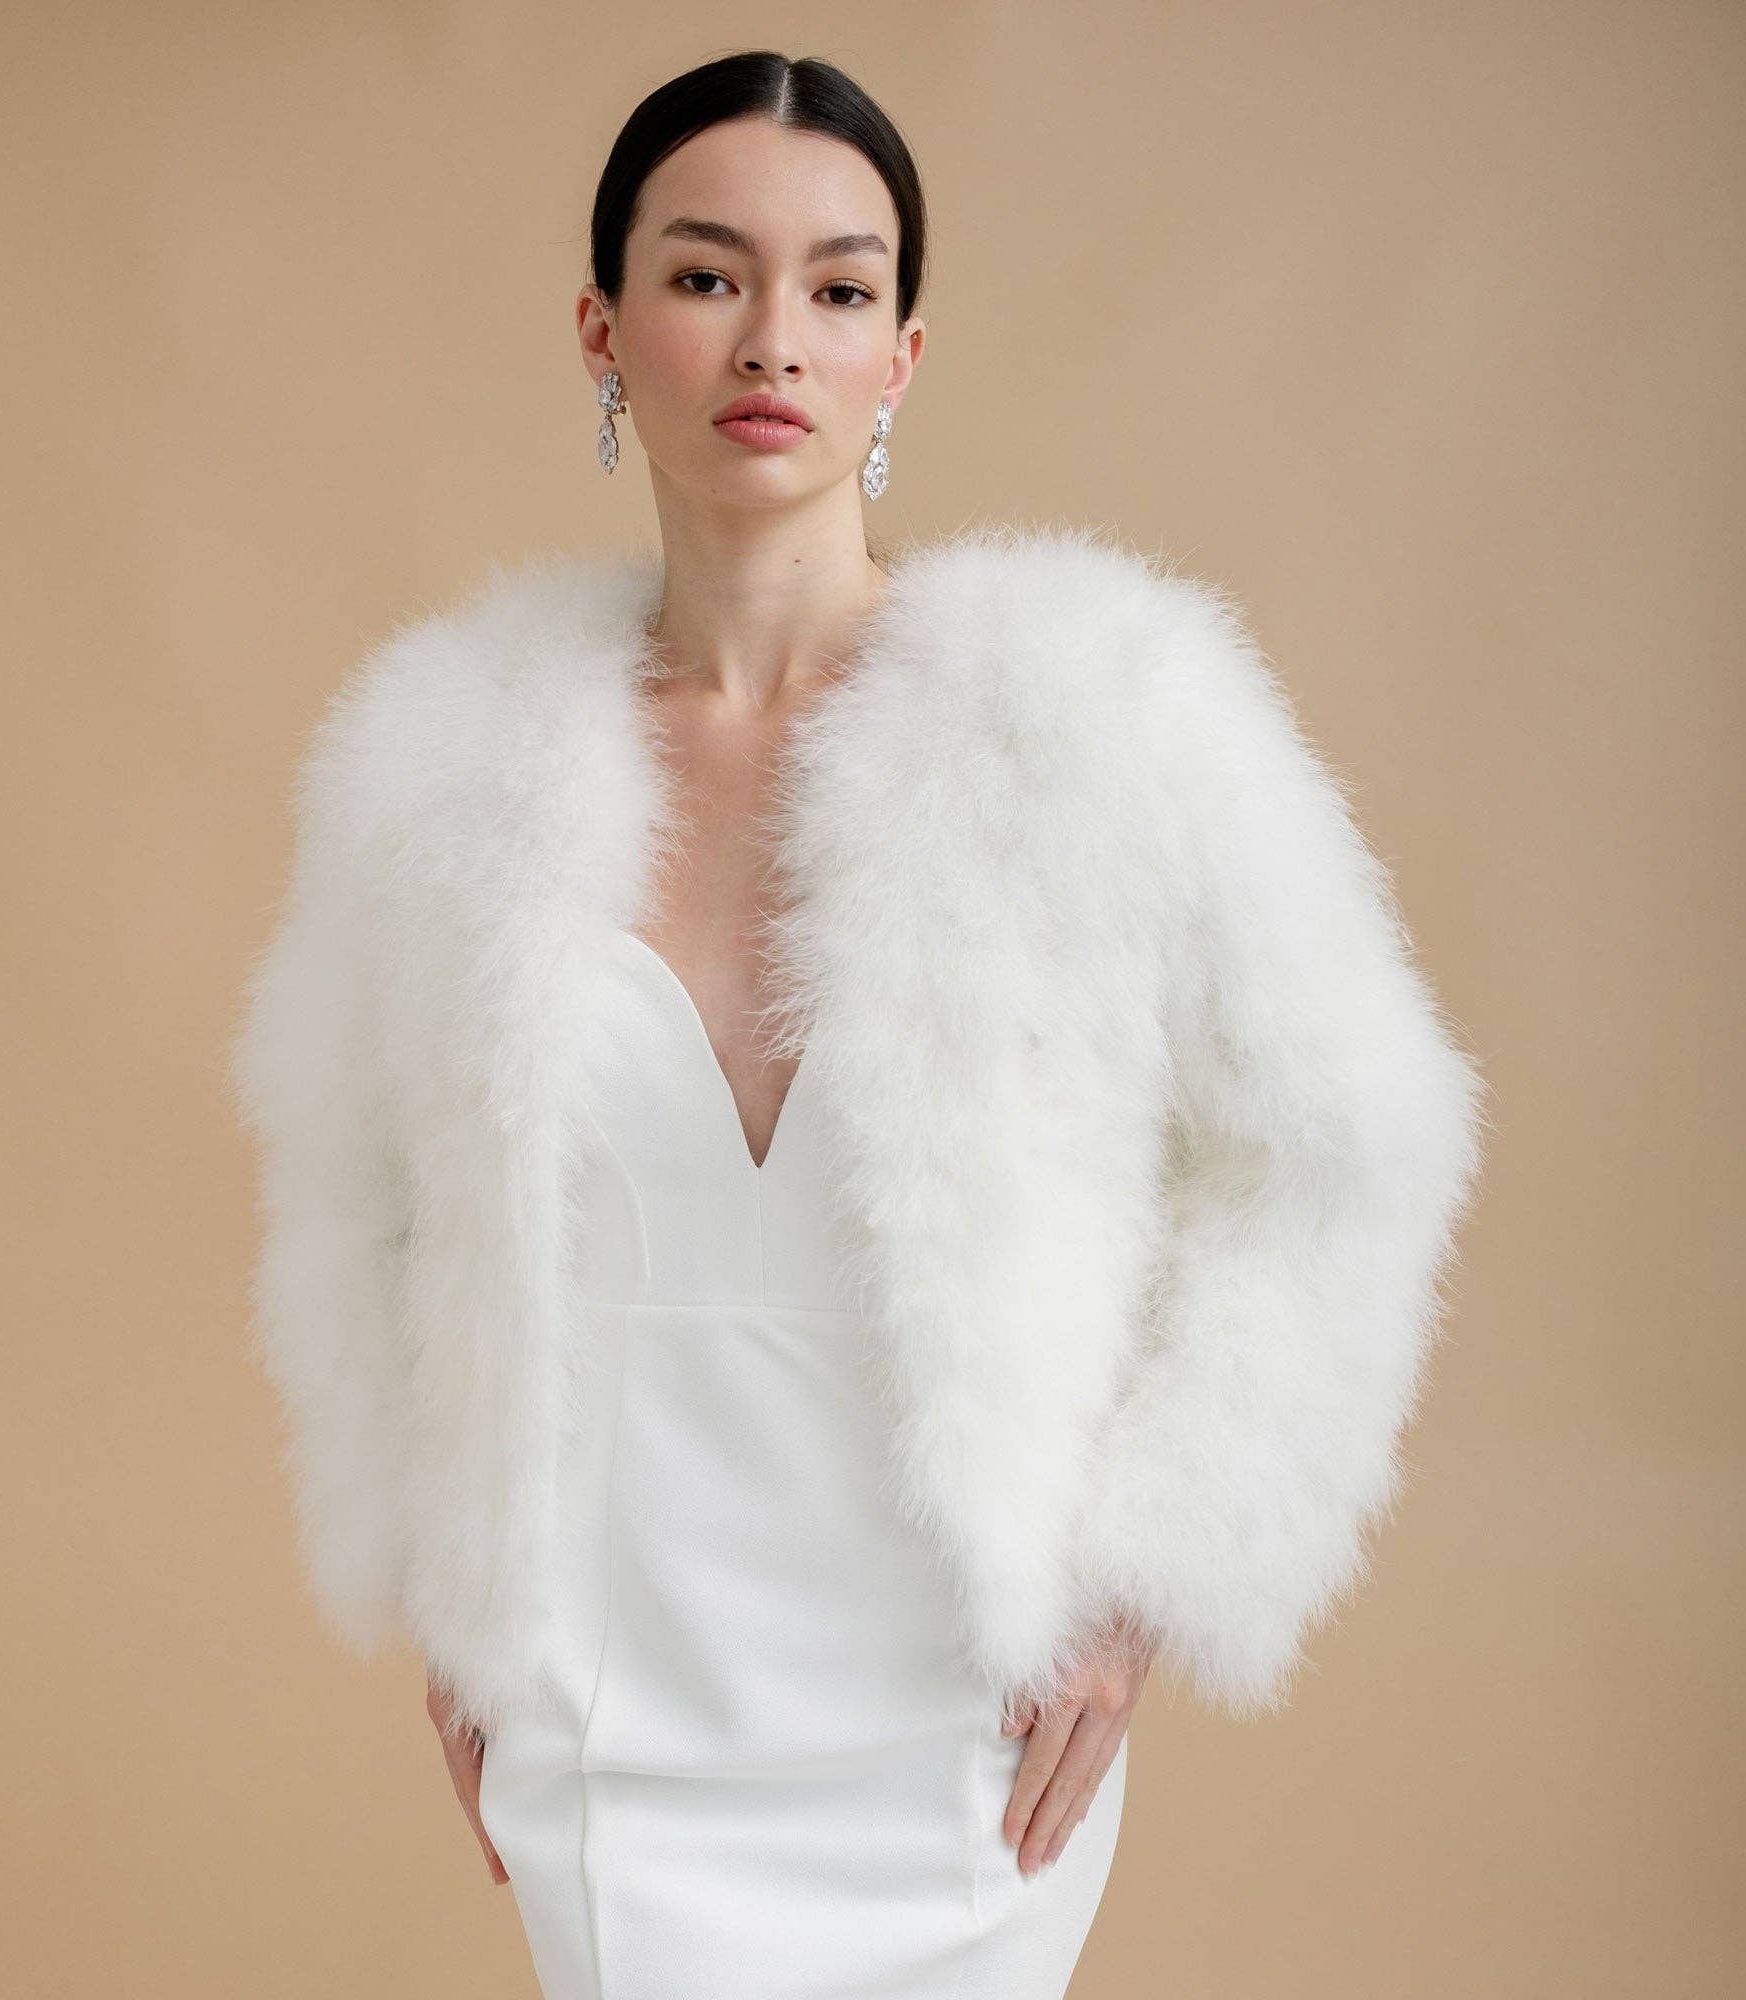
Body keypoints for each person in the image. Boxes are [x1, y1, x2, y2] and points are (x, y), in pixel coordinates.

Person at [227, 49, 1488, 2000]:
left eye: (837, 288)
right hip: (604, 1721)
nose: (772, 339)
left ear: (901, 355)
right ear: (602, 328)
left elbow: (1343, 1152)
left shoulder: (1101, 719)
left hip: (957, 1736)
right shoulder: (448, 769)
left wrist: (1146, 1577)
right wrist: (450, 1586)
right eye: (705, 273)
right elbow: (357, 1201)